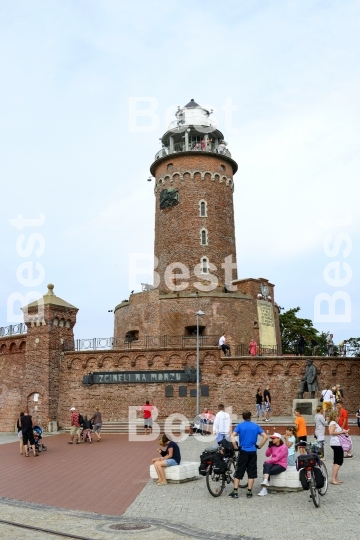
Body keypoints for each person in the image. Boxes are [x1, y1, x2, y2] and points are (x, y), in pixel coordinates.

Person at [228, 411, 268, 499]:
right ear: (250, 416)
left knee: (239, 471)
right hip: (253, 451)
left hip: (243, 451)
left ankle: (235, 491)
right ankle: (249, 492)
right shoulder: (256, 426)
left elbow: (232, 436)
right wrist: (260, 446)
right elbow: (265, 436)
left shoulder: (240, 426)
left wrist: (235, 446)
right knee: (251, 472)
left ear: (243, 417)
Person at [328, 409, 348, 485]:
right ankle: (333, 478)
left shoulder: (335, 423)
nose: (339, 418)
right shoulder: (333, 423)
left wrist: (344, 431)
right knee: (339, 461)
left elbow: (337, 431)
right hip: (336, 444)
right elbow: (331, 432)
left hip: (336, 443)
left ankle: (335, 477)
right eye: (338, 416)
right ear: (334, 416)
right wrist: (342, 432)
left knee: (336, 461)